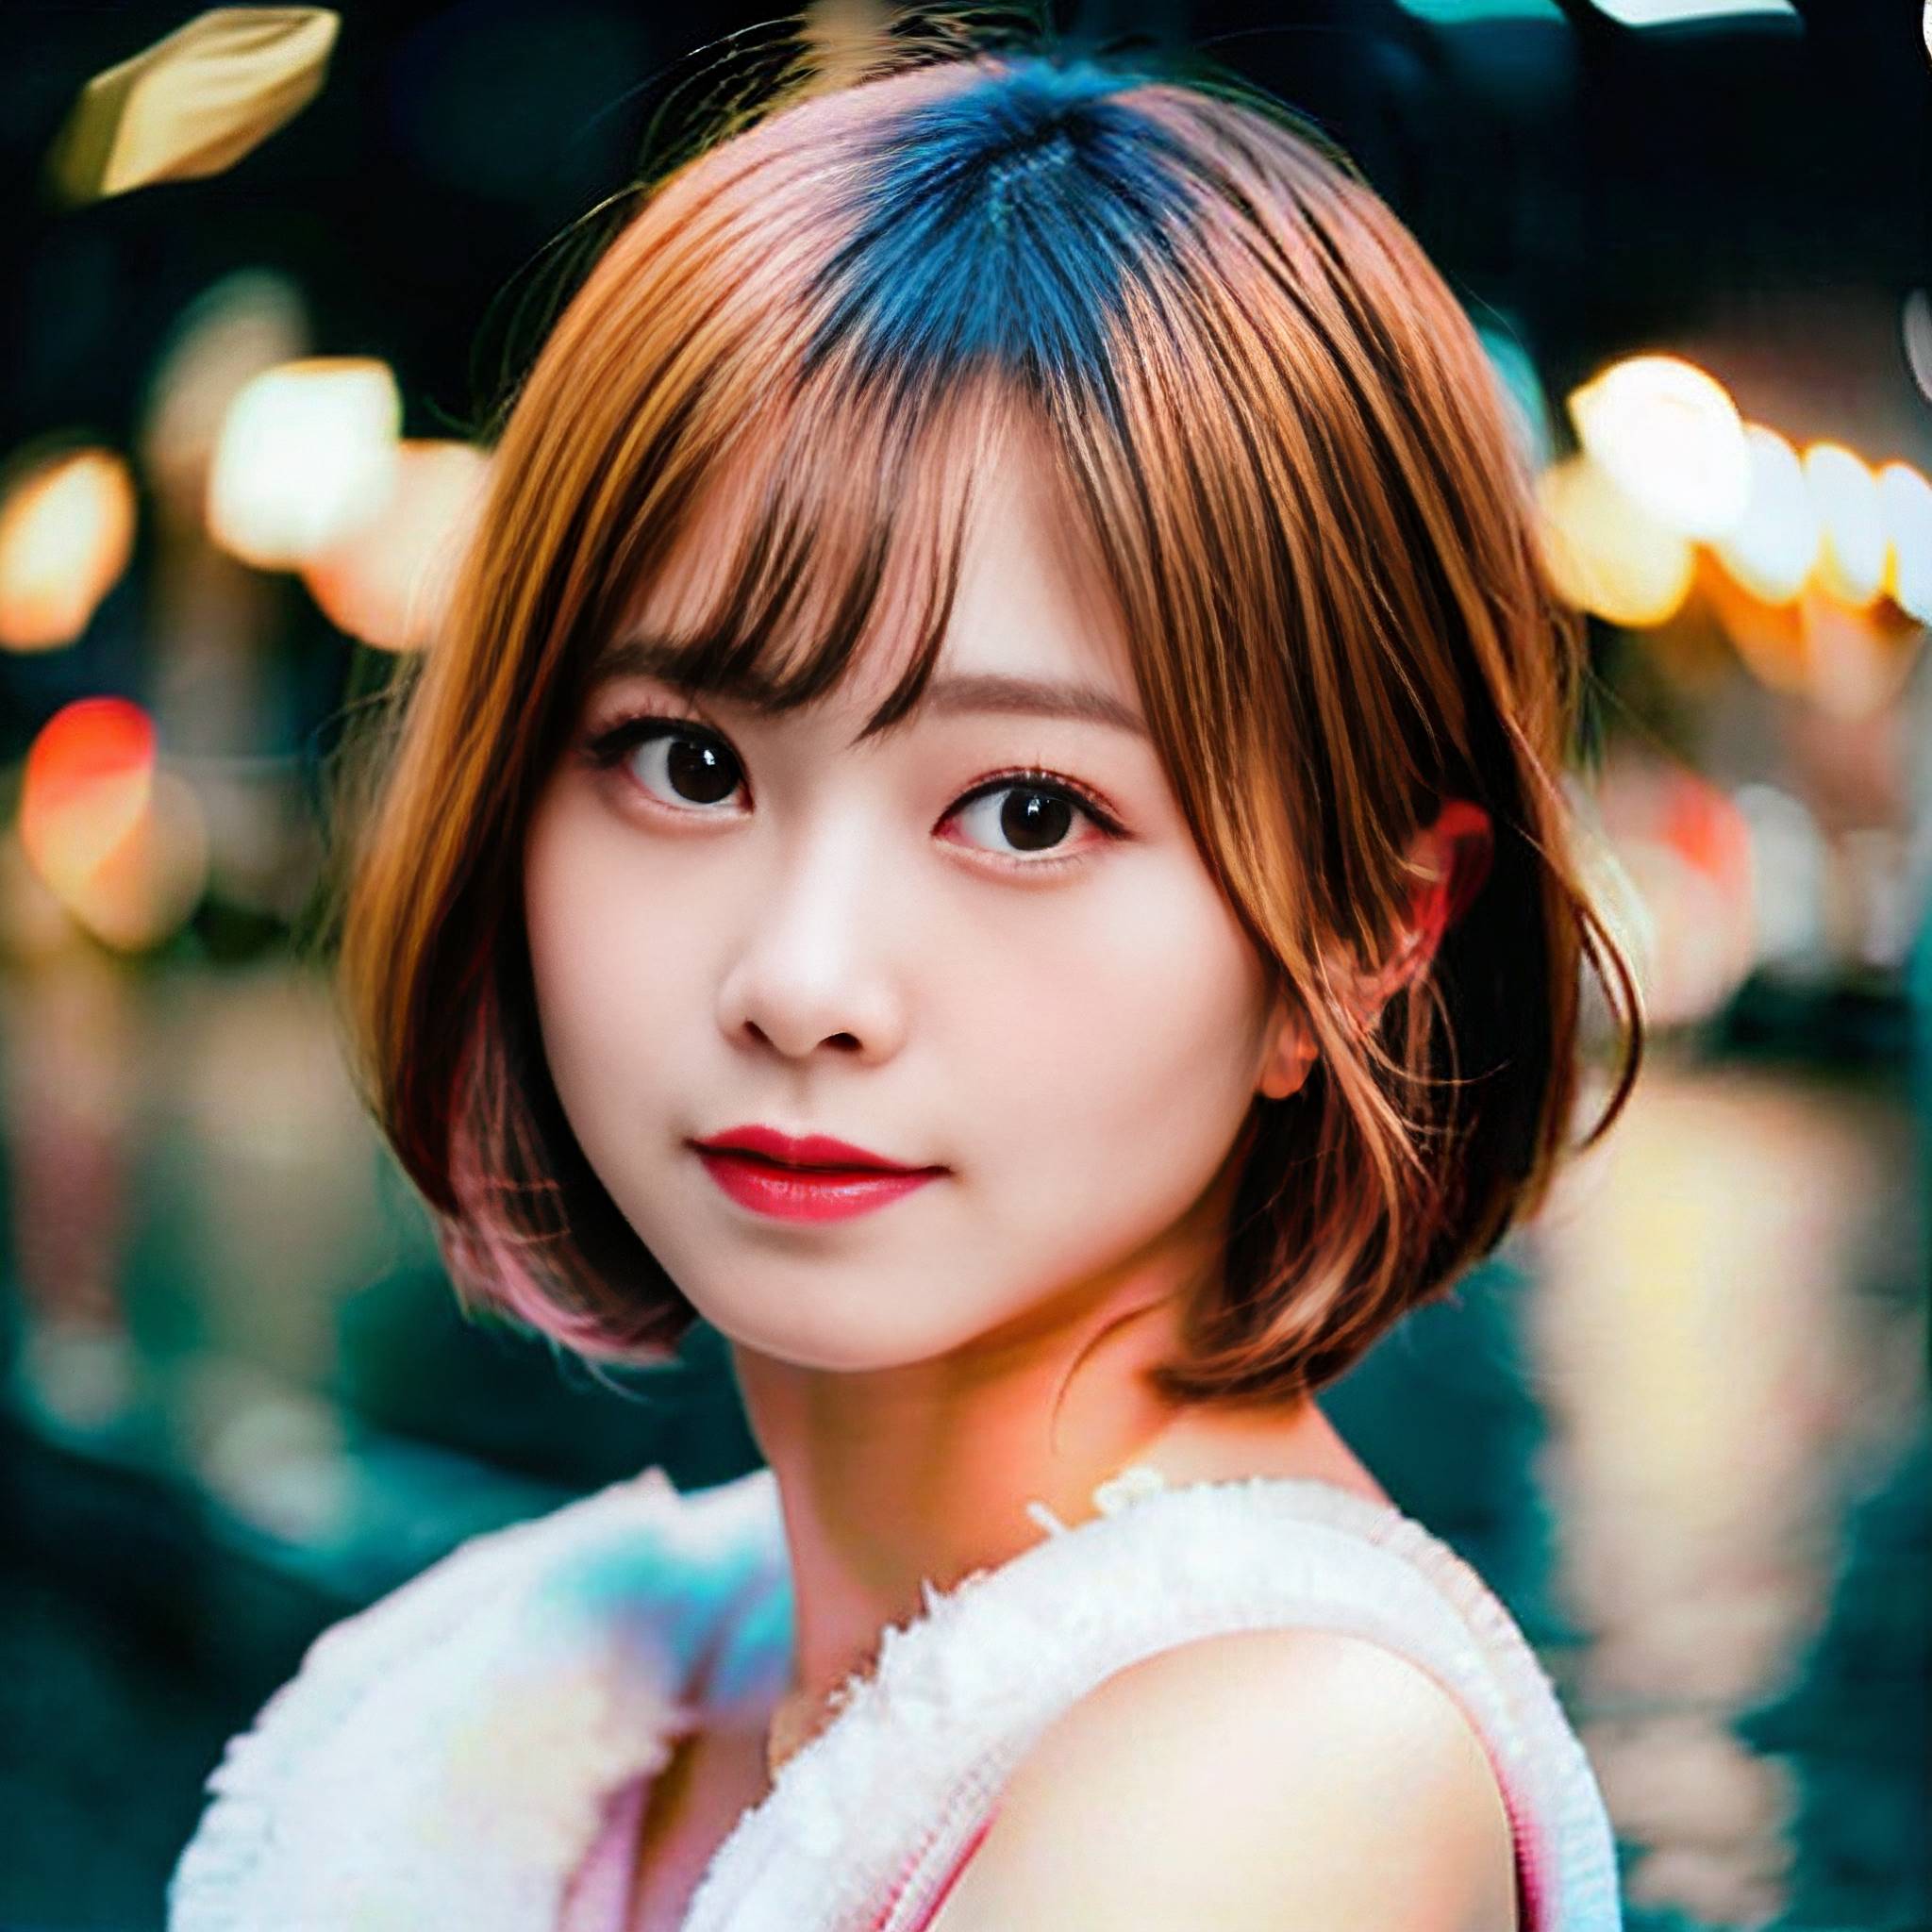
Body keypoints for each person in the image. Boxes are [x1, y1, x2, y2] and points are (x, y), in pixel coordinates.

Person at [169, 18, 1642, 1932]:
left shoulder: (1281, 1776)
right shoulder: (573, 1684)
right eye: (686, 761)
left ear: (1369, 932)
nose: (802, 979)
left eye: (1028, 811)